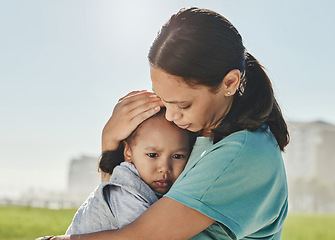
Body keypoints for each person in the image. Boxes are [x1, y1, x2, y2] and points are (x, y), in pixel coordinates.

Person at [37, 7, 289, 240]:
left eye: (183, 105)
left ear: (230, 83)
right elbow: (125, 207)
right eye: (165, 102)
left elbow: (140, 235)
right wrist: (113, 146)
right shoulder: (202, 134)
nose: (170, 116)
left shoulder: (242, 151)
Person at [65, 108, 197, 235]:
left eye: (177, 156)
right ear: (128, 152)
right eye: (152, 155)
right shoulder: (126, 193)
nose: (165, 167)